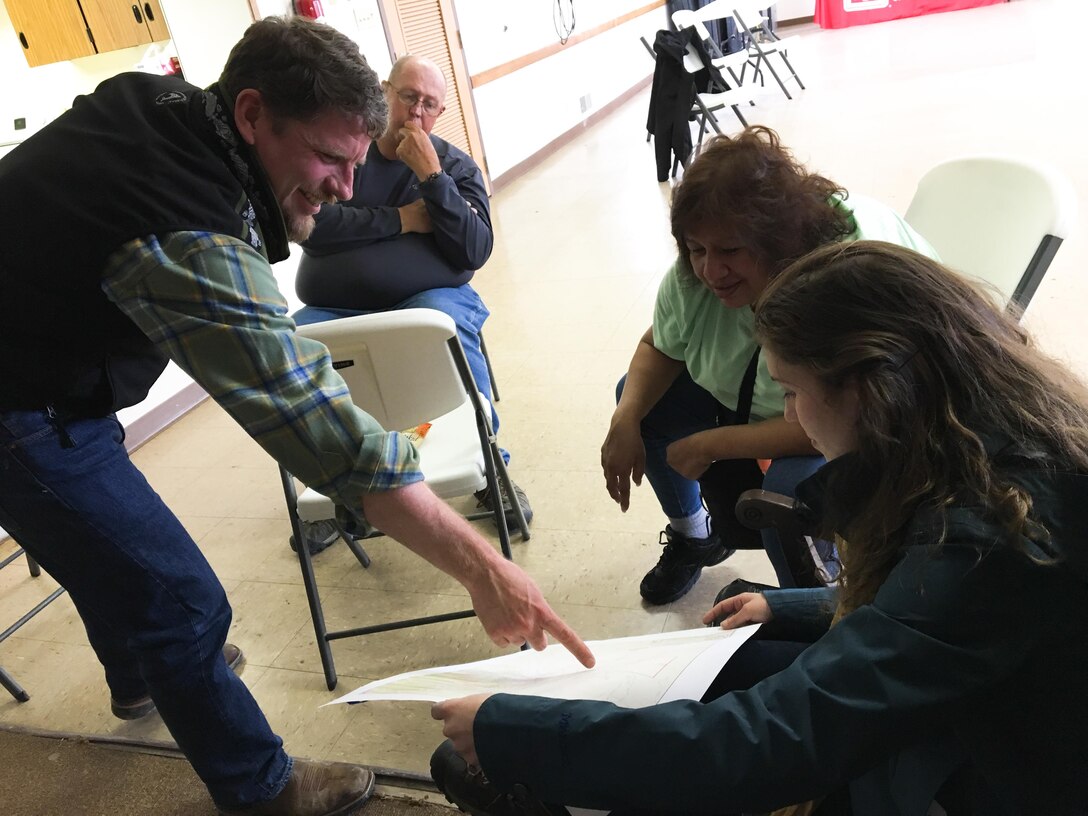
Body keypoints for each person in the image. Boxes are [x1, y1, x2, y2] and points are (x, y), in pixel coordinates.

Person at [0, 16, 592, 816]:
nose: (346, 187)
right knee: (183, 601)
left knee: (110, 552)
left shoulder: (167, 105)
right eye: (328, 159)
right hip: (20, 401)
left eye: (356, 161)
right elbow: (318, 425)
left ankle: (146, 671)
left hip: (51, 363)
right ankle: (260, 788)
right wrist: (486, 569)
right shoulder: (183, 226)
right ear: (251, 115)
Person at [430, 240, 1088, 815]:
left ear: (868, 388)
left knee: (700, 749)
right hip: (991, 722)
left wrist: (515, 731)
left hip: (993, 777)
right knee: (736, 653)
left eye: (793, 391)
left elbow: (775, 742)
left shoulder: (987, 535)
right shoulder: (1000, 442)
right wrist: (793, 604)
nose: (794, 417)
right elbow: (937, 611)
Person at [601, 126, 936, 604]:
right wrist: (625, 417)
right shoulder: (694, 274)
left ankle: (815, 603)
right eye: (697, 249)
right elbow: (661, 345)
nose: (711, 271)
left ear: (777, 240)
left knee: (790, 490)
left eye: (731, 251)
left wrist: (712, 444)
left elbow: (844, 418)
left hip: (878, 412)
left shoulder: (839, 278)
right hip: (779, 395)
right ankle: (696, 536)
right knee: (641, 399)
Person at [290, 54, 531, 552]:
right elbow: (316, 227)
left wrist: (432, 178)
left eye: (429, 105)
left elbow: (473, 248)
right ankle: (333, 482)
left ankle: (488, 469)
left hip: (428, 299)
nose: (417, 112)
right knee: (292, 344)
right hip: (335, 307)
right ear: (384, 93)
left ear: (439, 114)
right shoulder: (346, 150)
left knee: (441, 321)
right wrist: (402, 220)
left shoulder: (455, 166)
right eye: (408, 97)